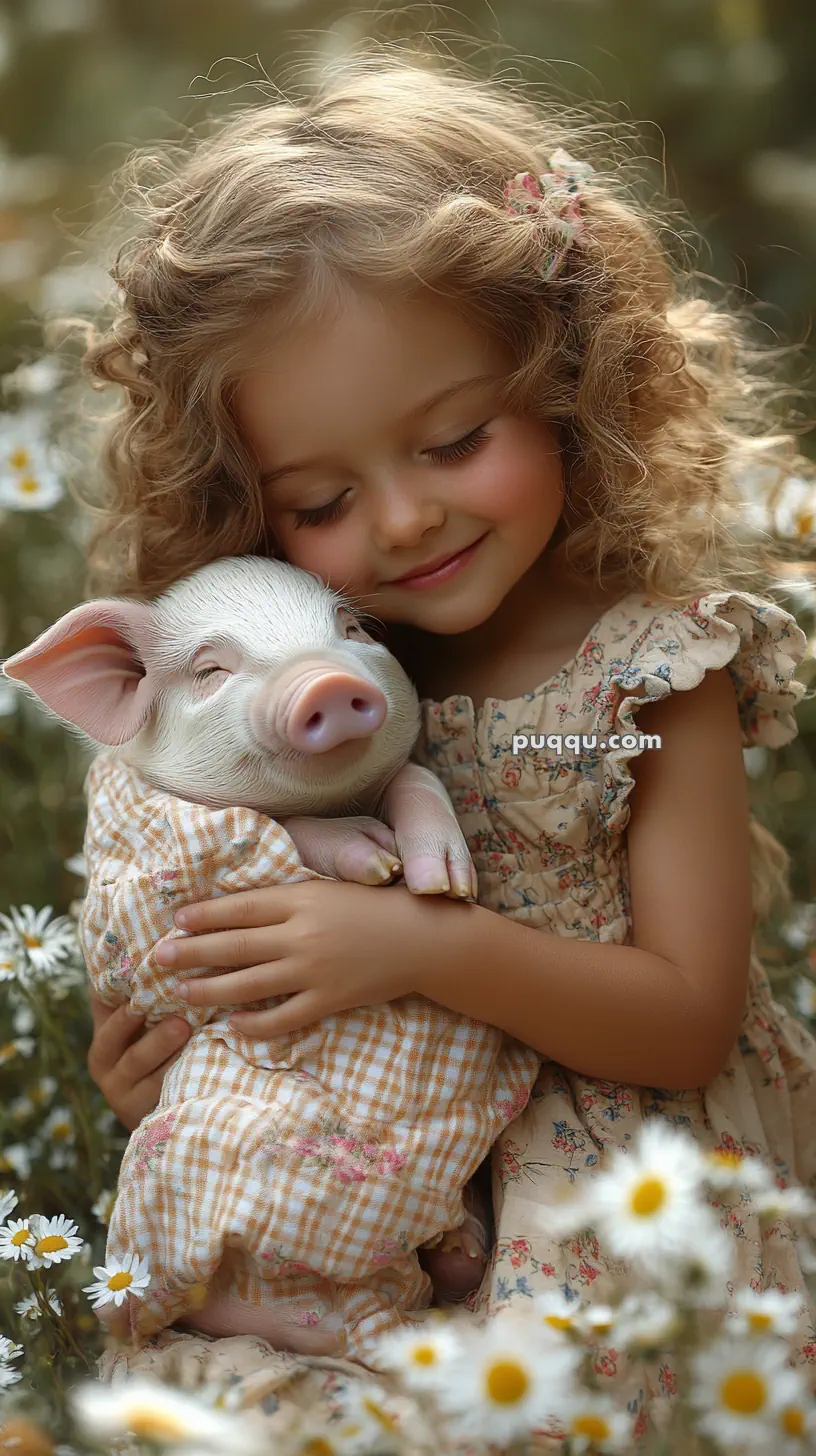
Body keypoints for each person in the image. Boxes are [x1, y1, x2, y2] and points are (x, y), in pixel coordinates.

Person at [75, 46, 816, 1443]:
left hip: (596, 1203)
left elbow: (688, 1016)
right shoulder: (294, 697)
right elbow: (220, 937)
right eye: (317, 498)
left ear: (567, 374)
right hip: (357, 1200)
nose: (403, 522)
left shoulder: (651, 670)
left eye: (456, 437)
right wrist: (156, 1067)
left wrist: (421, 951)